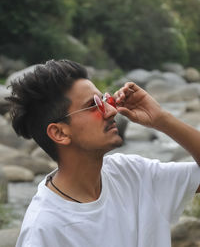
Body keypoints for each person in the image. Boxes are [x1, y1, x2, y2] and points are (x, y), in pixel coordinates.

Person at [7, 59, 200, 247]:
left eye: (106, 99)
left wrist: (161, 119)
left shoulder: (132, 174)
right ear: (59, 133)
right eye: (94, 105)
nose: (111, 110)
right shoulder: (43, 230)